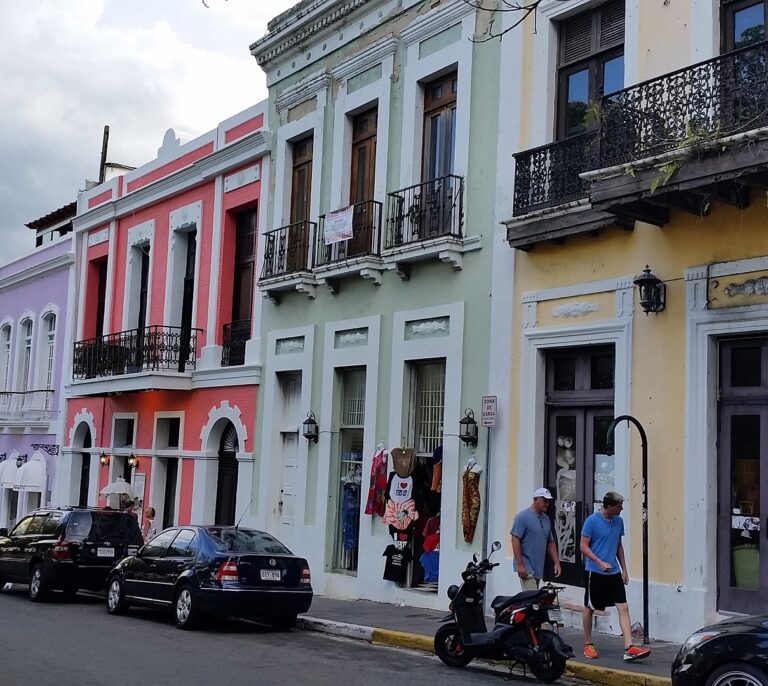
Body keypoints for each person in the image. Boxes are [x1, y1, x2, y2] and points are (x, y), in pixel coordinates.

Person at [580, 491, 651, 662]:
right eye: (619, 506)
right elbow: (583, 546)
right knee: (589, 607)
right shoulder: (591, 521)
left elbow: (618, 546)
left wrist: (624, 569)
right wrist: (599, 562)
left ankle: (629, 647)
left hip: (613, 572)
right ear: (609, 506)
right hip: (595, 571)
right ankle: (588, 644)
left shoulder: (619, 521)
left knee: (623, 607)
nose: (622, 509)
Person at [510, 487, 561, 590]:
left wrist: (556, 562)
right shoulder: (522, 517)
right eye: (544, 501)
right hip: (527, 567)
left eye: (548, 501)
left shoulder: (546, 519)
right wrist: (520, 565)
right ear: (535, 499)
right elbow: (515, 540)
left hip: (538, 567)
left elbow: (550, 542)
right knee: (531, 599)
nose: (547, 504)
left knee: (533, 599)